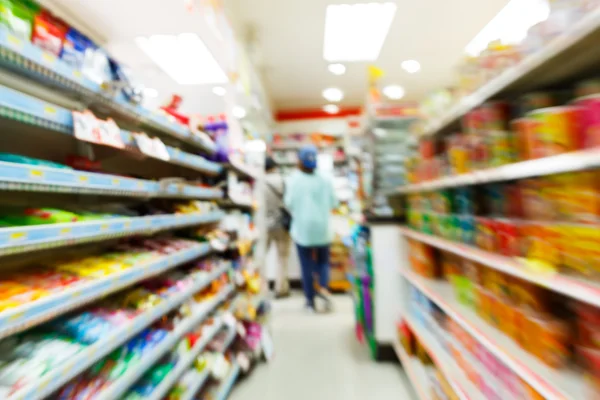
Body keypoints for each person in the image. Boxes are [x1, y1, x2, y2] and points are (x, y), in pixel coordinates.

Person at [284, 145, 338, 312]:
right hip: (322, 227)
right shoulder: (326, 178)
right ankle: (323, 287)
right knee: (323, 262)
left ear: (299, 161)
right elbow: (334, 203)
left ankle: (309, 301)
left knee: (306, 265)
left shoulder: (293, 179)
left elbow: (288, 203)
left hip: (302, 229)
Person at [264, 156, 292, 297]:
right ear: (274, 167)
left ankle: (261, 288)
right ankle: (281, 289)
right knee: (282, 258)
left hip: (264, 225)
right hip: (281, 224)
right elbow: (289, 202)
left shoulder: (259, 182)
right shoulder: (283, 180)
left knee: (261, 257)